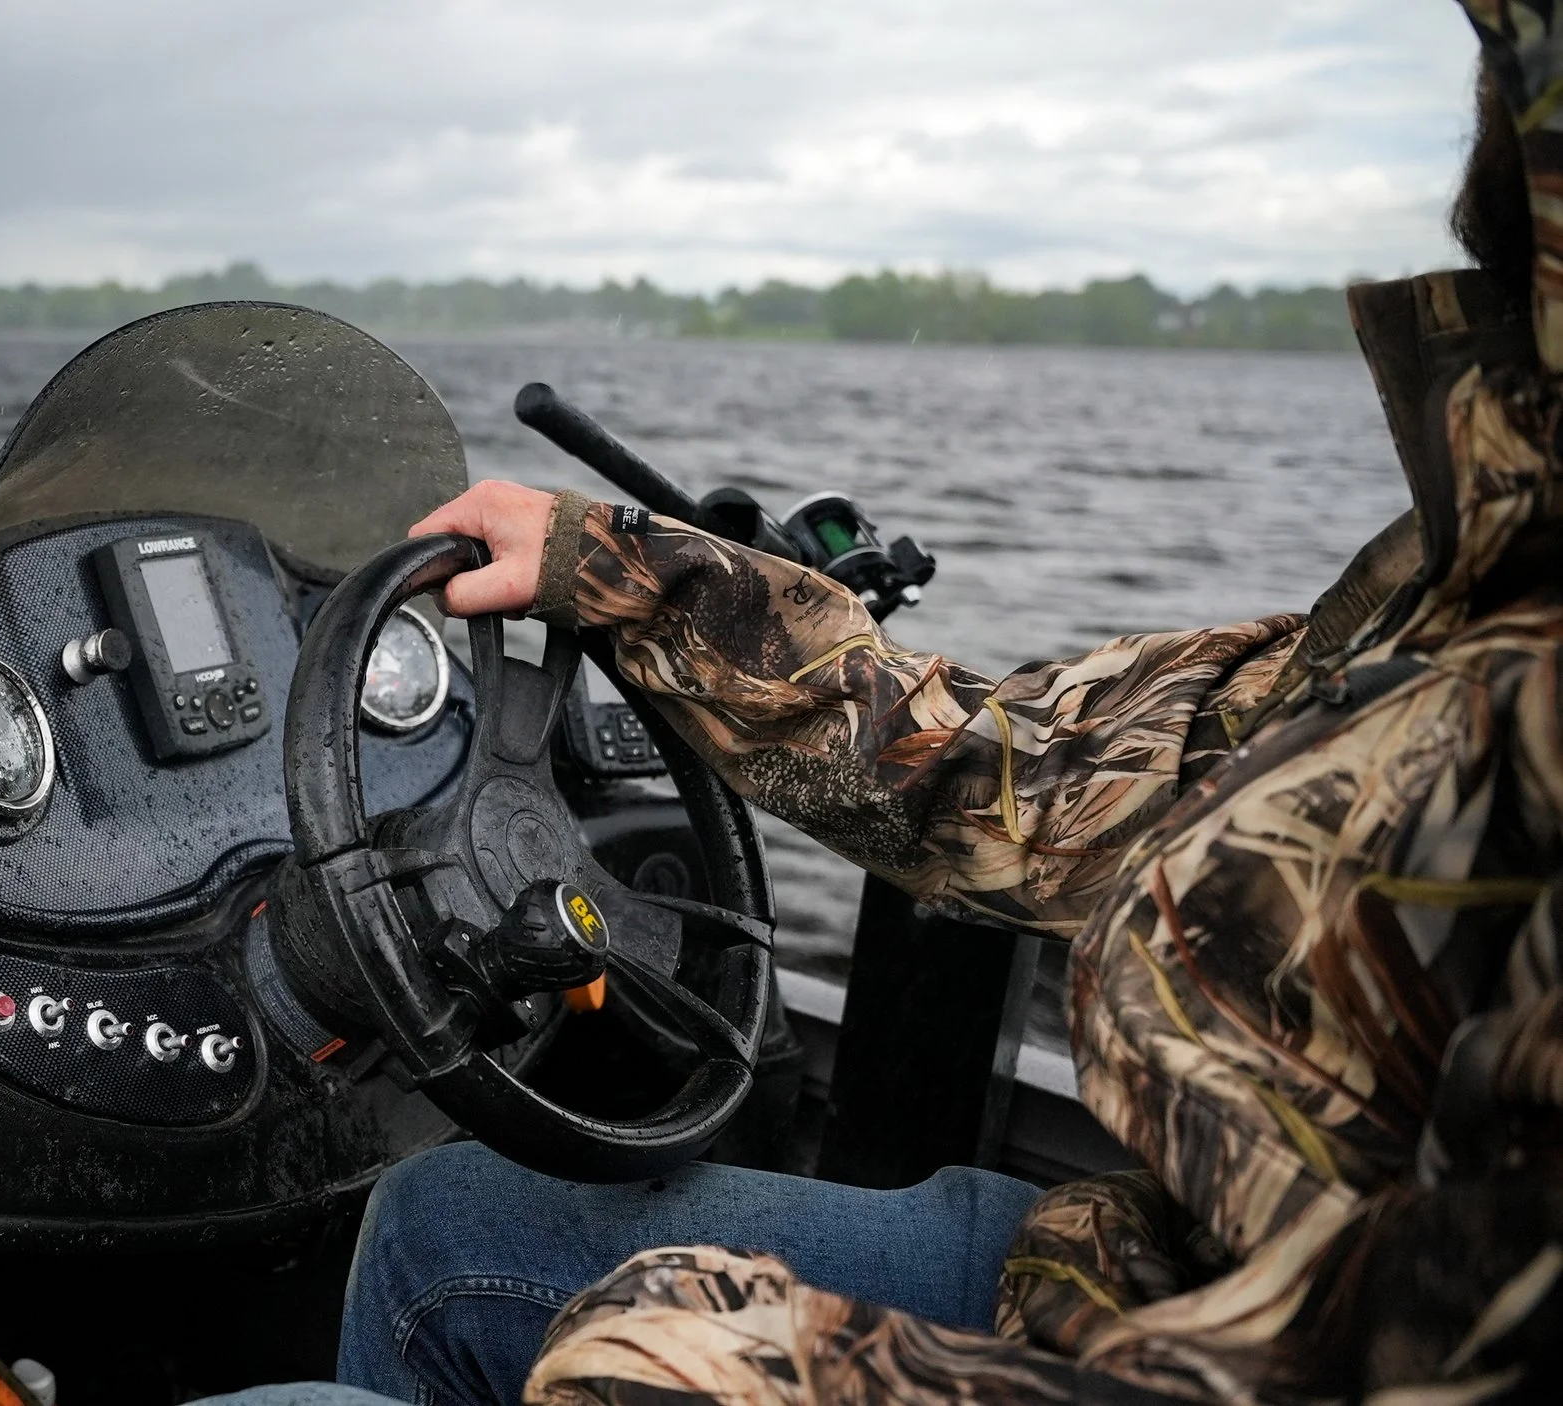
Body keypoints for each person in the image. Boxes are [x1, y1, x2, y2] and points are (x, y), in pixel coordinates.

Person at [210, 5, 1563, 1403]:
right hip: (1136, 1263)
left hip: (1172, 1348)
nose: (1491, 92)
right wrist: (616, 569)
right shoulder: (1472, 595)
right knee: (442, 1225)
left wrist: (701, 1357)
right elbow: (1006, 774)